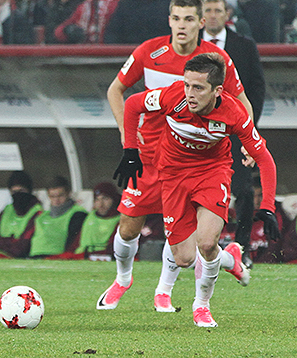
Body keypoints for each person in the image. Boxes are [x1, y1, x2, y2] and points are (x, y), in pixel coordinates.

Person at [104, 0, 257, 315]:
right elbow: (116, 90)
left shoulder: (214, 60)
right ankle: (122, 279)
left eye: (189, 19)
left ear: (201, 23)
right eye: (176, 18)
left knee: (185, 236)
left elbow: (241, 101)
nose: (182, 25)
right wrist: (125, 133)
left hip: (191, 161)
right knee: (128, 227)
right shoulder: (149, 52)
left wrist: (249, 140)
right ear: (169, 21)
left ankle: (164, 291)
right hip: (148, 155)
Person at [109, 52, 278, 327]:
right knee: (185, 258)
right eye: (187, 84)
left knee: (207, 243)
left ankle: (201, 305)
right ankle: (230, 259)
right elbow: (132, 104)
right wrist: (130, 150)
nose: (190, 93)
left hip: (213, 172)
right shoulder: (171, 96)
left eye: (198, 87)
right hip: (173, 176)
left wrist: (268, 206)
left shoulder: (234, 113)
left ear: (217, 91)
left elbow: (265, 159)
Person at [202, 0, 266, 266]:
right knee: (193, 187)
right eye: (209, 10)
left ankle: (242, 247)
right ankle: (197, 247)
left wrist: (248, 127)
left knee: (243, 189)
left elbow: (256, 88)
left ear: (227, 14)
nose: (213, 15)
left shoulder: (244, 45)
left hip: (235, 130)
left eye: (218, 10)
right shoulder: (189, 45)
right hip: (199, 131)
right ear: (201, 16)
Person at [0, 171, 42, 258]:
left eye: (21, 191)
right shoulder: (7, 210)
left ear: (29, 191)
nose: (18, 195)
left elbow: (23, 247)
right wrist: (11, 241)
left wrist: (0, 242)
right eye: (14, 192)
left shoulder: (37, 212)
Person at [29, 176, 87, 258]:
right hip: (35, 256)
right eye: (52, 196)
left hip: (58, 257)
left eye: (60, 196)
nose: (56, 200)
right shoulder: (42, 217)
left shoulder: (78, 214)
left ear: (68, 194)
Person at [73, 182, 121, 257]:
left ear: (114, 199)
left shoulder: (119, 220)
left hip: (101, 257)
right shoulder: (90, 216)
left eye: (105, 199)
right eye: (97, 199)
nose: (100, 204)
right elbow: (77, 242)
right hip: (82, 255)